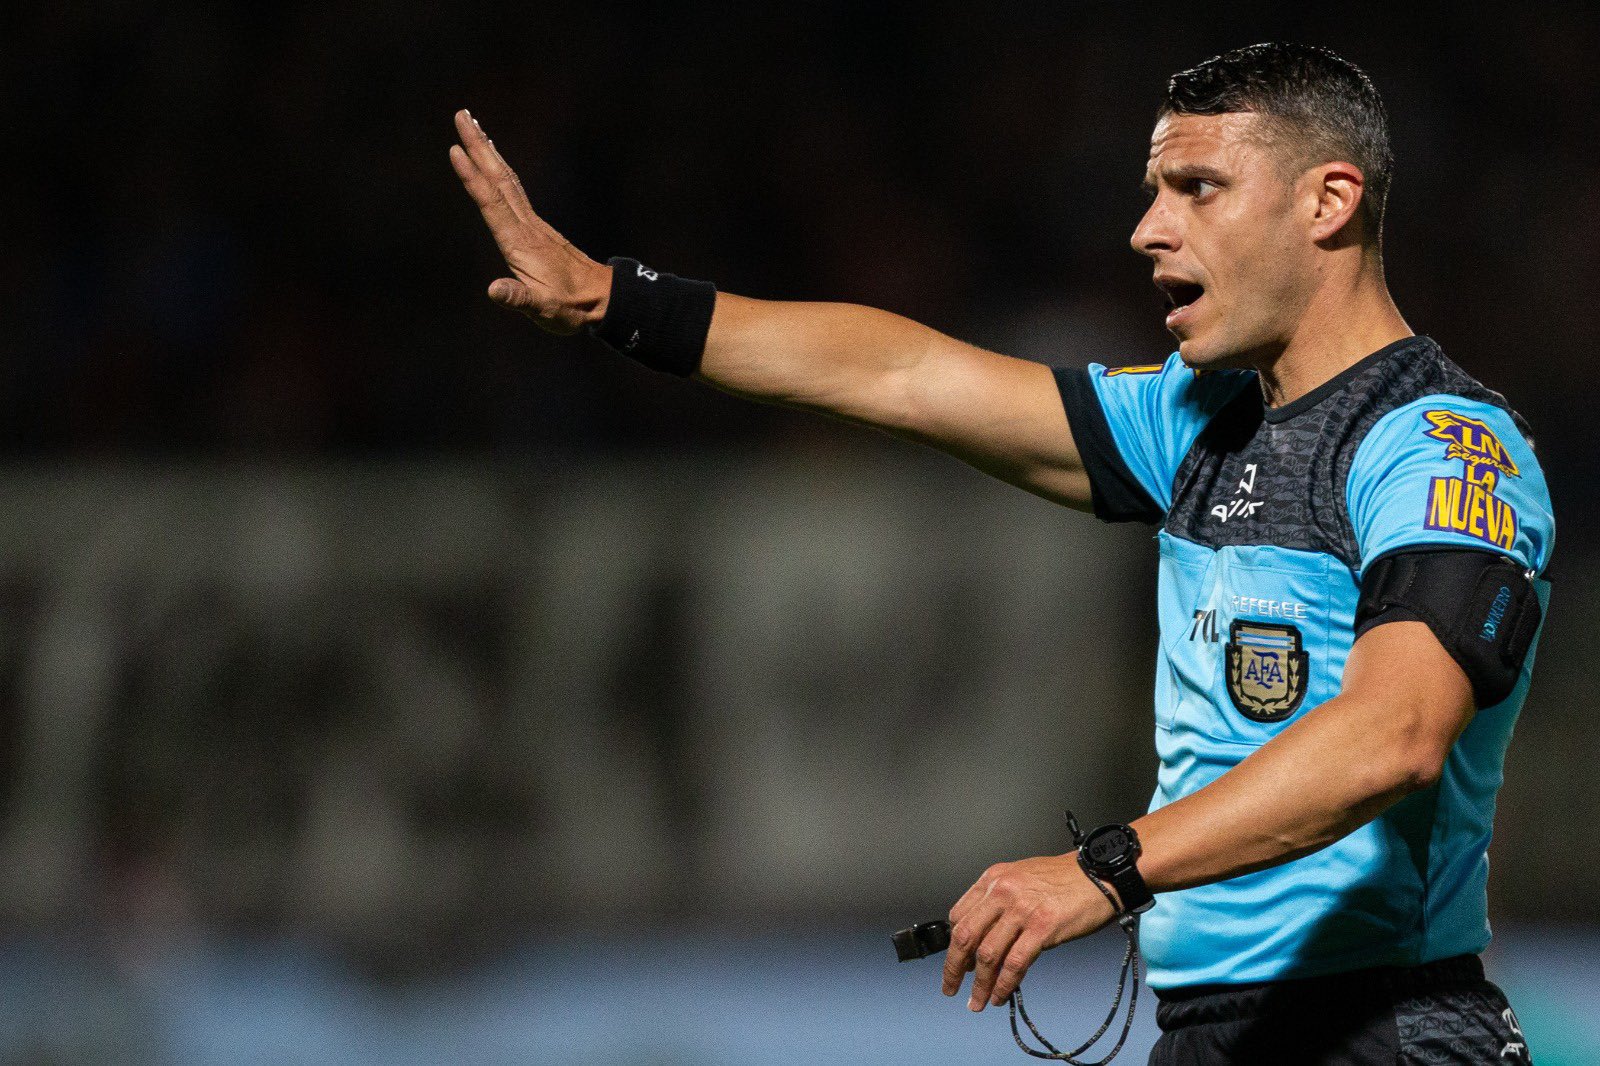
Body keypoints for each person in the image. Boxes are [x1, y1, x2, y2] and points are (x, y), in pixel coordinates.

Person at [449, 42, 1551, 1066]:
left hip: (1381, 1028)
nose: (1149, 230)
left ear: (1328, 201)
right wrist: (616, 299)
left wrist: (1104, 870)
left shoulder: (1439, 448)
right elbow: (904, 376)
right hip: (1217, 1031)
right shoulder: (1198, 422)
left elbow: (1394, 735)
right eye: (1153, 192)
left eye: (1198, 188)